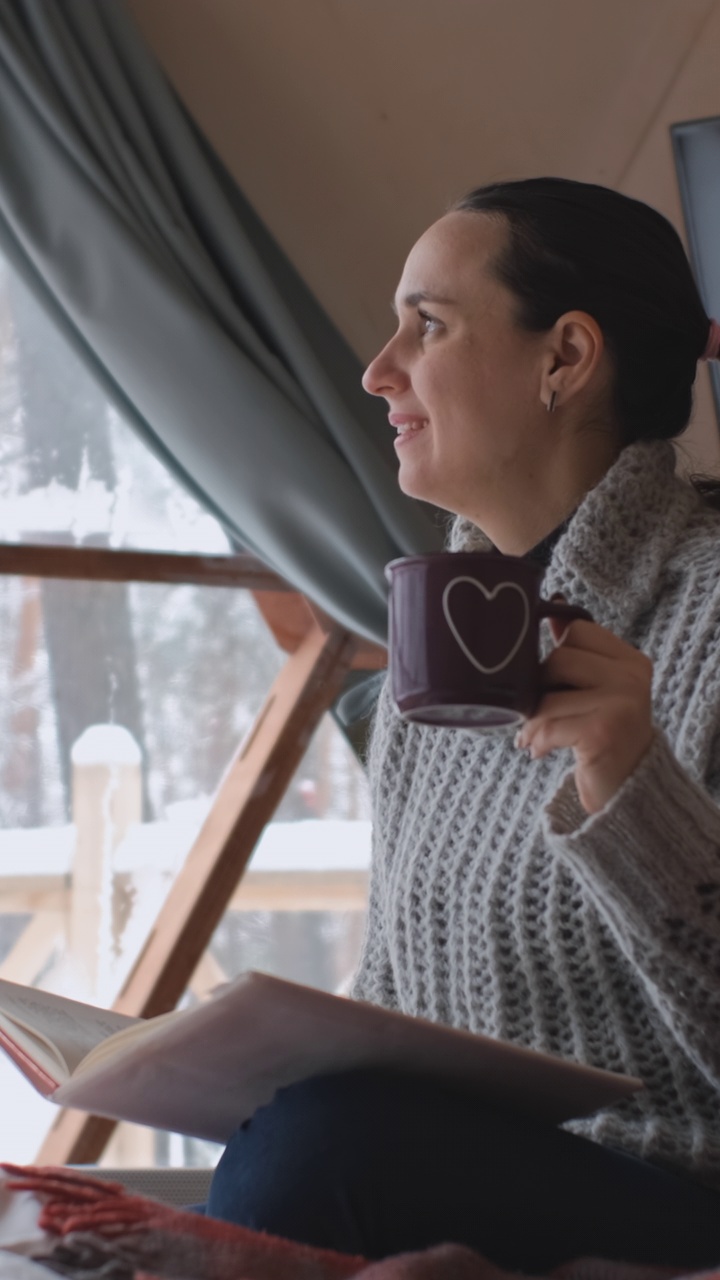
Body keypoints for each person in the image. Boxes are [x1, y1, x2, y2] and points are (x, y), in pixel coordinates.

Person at [206, 179, 720, 1269]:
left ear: (566, 359)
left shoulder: (710, 613)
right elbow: (404, 1007)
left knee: (324, 1150)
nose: (376, 369)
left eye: (426, 326)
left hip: (684, 1184)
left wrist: (634, 789)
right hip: (467, 1176)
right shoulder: (439, 629)